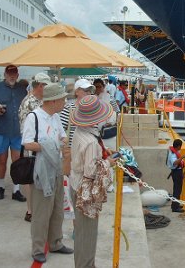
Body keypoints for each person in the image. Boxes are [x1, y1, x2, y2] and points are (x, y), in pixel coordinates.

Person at [21, 82, 73, 263]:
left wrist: (64, 142)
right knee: (42, 212)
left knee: (58, 209)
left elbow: (62, 136)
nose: (65, 102)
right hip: (41, 169)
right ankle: (37, 248)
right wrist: (50, 145)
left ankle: (55, 242)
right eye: (62, 99)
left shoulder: (55, 117)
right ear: (53, 101)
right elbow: (27, 143)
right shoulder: (34, 118)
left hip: (56, 167)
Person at [69, 95, 117, 268]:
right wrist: (108, 163)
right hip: (86, 191)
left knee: (82, 232)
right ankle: (86, 265)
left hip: (76, 184)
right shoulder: (91, 141)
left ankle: (83, 263)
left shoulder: (81, 133)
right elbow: (91, 171)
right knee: (88, 234)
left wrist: (104, 152)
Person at [0, 65, 28, 201]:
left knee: (17, 161)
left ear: (18, 75)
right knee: (2, 160)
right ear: (5, 74)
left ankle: (16, 190)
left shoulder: (22, 90)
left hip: (17, 131)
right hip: (1, 130)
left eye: (14, 74)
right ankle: (1, 186)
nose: (12, 76)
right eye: (9, 74)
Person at [18, 72, 51, 222]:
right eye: (46, 86)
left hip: (41, 146)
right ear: (39, 86)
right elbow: (26, 131)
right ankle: (31, 210)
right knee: (31, 180)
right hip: (32, 147)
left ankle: (36, 208)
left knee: (37, 179)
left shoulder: (40, 100)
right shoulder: (29, 103)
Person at [166, 139, 185, 213]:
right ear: (178, 146)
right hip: (176, 172)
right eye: (180, 146)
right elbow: (174, 163)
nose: (181, 147)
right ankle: (175, 208)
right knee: (177, 190)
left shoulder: (176, 151)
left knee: (178, 189)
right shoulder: (172, 154)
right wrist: (182, 157)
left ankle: (176, 204)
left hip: (178, 172)